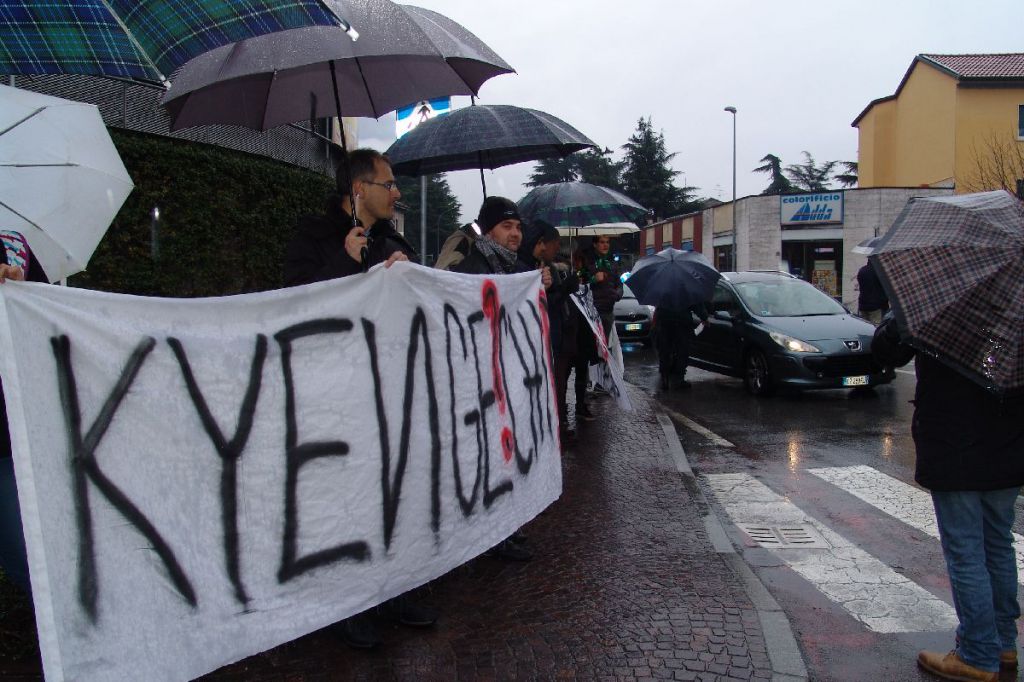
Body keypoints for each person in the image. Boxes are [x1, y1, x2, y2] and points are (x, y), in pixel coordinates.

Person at [283, 150, 432, 650]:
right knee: (347, 501)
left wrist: (409, 273)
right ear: (358, 190)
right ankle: (351, 604)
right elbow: (287, 299)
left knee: (392, 491)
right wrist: (340, 261)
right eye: (387, 184)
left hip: (385, 388)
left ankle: (394, 589)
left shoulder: (393, 240)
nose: (396, 193)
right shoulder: (313, 234)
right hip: (332, 390)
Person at [872, 314, 1024, 682]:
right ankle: (1003, 643)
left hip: (955, 441)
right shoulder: (1015, 297)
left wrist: (898, 316)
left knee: (966, 551)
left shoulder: (940, 299)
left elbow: (886, 351)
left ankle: (977, 654)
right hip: (1010, 439)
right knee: (997, 544)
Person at [454, 197, 551, 562]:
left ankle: (505, 529)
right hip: (482, 384)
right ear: (489, 229)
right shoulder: (471, 268)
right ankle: (489, 536)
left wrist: (544, 285)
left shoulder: (518, 268)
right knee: (488, 460)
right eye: (506, 227)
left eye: (518, 227)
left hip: (510, 380)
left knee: (506, 456)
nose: (515, 234)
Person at [0, 230, 48, 594]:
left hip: (10, 436)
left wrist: (24, 293)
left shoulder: (15, 247)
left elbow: (53, 317)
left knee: (26, 552)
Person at [519, 221, 579, 438]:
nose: (557, 249)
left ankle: (556, 424)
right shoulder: (523, 266)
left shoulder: (547, 266)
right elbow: (536, 304)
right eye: (555, 244)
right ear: (542, 243)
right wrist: (562, 291)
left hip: (555, 337)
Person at [654, 302, 709, 390]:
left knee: (665, 351)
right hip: (682, 323)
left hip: (665, 322)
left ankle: (665, 378)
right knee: (682, 351)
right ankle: (679, 379)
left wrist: (657, 321)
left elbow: (658, 307)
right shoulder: (687, 290)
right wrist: (704, 317)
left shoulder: (663, 290)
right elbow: (696, 304)